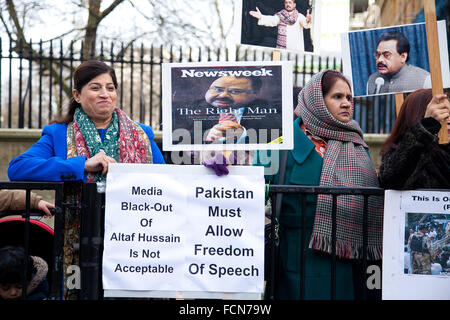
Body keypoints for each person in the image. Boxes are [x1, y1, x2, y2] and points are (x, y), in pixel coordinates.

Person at [254, 70, 383, 299]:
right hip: (296, 264)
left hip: (346, 265)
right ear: (317, 100)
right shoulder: (278, 147)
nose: (346, 103)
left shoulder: (356, 144)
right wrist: (223, 165)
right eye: (337, 97)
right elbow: (248, 190)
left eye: (349, 98)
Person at [8, 60, 165, 183]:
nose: (105, 94)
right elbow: (18, 168)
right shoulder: (58, 133)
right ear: (77, 95)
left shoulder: (142, 133)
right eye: (95, 88)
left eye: (110, 88)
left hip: (131, 221)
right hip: (81, 223)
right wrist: (82, 165)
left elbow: (166, 180)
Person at [172, 75, 282, 147]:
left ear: (254, 94)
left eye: (235, 91)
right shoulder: (189, 109)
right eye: (217, 89)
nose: (223, 95)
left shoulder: (270, 110)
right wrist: (206, 136)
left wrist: (243, 135)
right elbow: (173, 139)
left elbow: (280, 138)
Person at [378, 89, 450, 189]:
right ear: (419, 115)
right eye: (441, 114)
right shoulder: (404, 156)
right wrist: (427, 126)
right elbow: (391, 179)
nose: (448, 120)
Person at [366, 31, 431, 95]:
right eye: (378, 54)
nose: (379, 60)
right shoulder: (372, 80)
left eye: (386, 55)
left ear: (403, 57)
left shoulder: (425, 80)